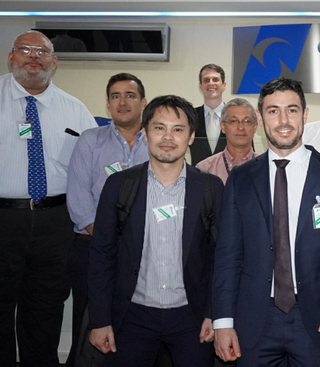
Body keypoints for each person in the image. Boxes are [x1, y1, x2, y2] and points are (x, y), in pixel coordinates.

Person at [212, 77, 320, 366]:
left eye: (292, 110)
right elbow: (227, 255)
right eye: (273, 111)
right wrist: (222, 322)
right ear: (260, 118)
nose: (283, 120)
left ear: (305, 114)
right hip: (255, 322)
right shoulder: (240, 178)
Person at [0, 30, 97, 366]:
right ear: (11, 57)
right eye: (25, 49)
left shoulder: (75, 110)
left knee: (45, 310)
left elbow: (91, 170)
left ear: (54, 62)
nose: (34, 56)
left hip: (53, 224)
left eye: (42, 51)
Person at [87, 95, 224, 367]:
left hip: (192, 318)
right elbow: (102, 255)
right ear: (145, 133)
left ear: (191, 136)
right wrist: (100, 320)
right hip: (131, 317)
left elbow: (219, 257)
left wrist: (213, 313)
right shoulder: (119, 185)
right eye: (159, 127)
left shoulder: (211, 187)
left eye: (178, 129)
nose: (168, 137)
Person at [65, 72, 150, 365]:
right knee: (87, 320)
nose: (122, 102)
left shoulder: (159, 140)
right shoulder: (90, 140)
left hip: (145, 252)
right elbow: (79, 200)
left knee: (137, 321)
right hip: (92, 249)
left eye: (130, 95)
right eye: (115, 96)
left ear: (143, 102)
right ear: (107, 103)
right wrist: (108, 241)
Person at [196, 98, 259, 184]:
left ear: (255, 127)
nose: (241, 127)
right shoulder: (205, 169)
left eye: (247, 121)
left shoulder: (267, 167)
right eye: (233, 121)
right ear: (222, 127)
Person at [189, 64, 228, 165]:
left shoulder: (235, 115)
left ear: (224, 85)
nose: (211, 83)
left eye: (215, 80)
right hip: (198, 177)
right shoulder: (190, 115)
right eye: (206, 80)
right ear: (200, 86)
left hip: (231, 177)